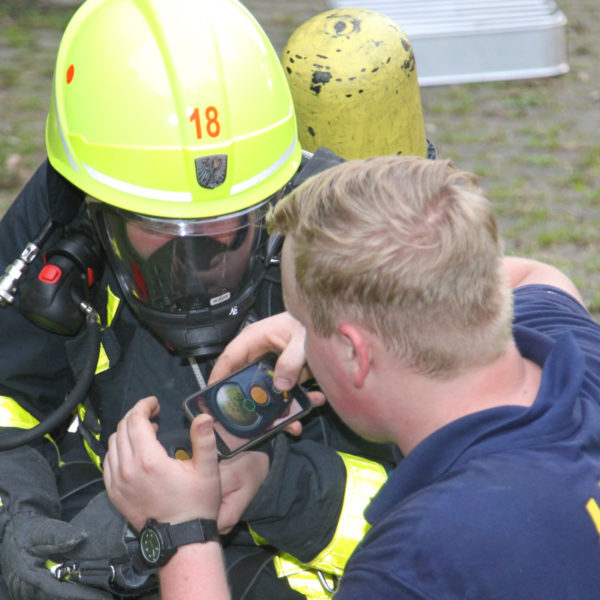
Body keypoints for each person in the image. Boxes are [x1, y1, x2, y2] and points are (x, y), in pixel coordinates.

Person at [0, 2, 433, 599]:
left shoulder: (349, 252)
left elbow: (442, 524)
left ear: (277, 193)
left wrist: (275, 486)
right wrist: (17, 513)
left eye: (229, 231)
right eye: (165, 233)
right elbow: (12, 392)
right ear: (96, 212)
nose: (195, 268)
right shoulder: (75, 197)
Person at [105, 154, 600, 599]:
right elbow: (540, 277)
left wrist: (179, 531)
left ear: (354, 352)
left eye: (307, 329)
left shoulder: (415, 565)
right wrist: (320, 321)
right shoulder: (578, 357)